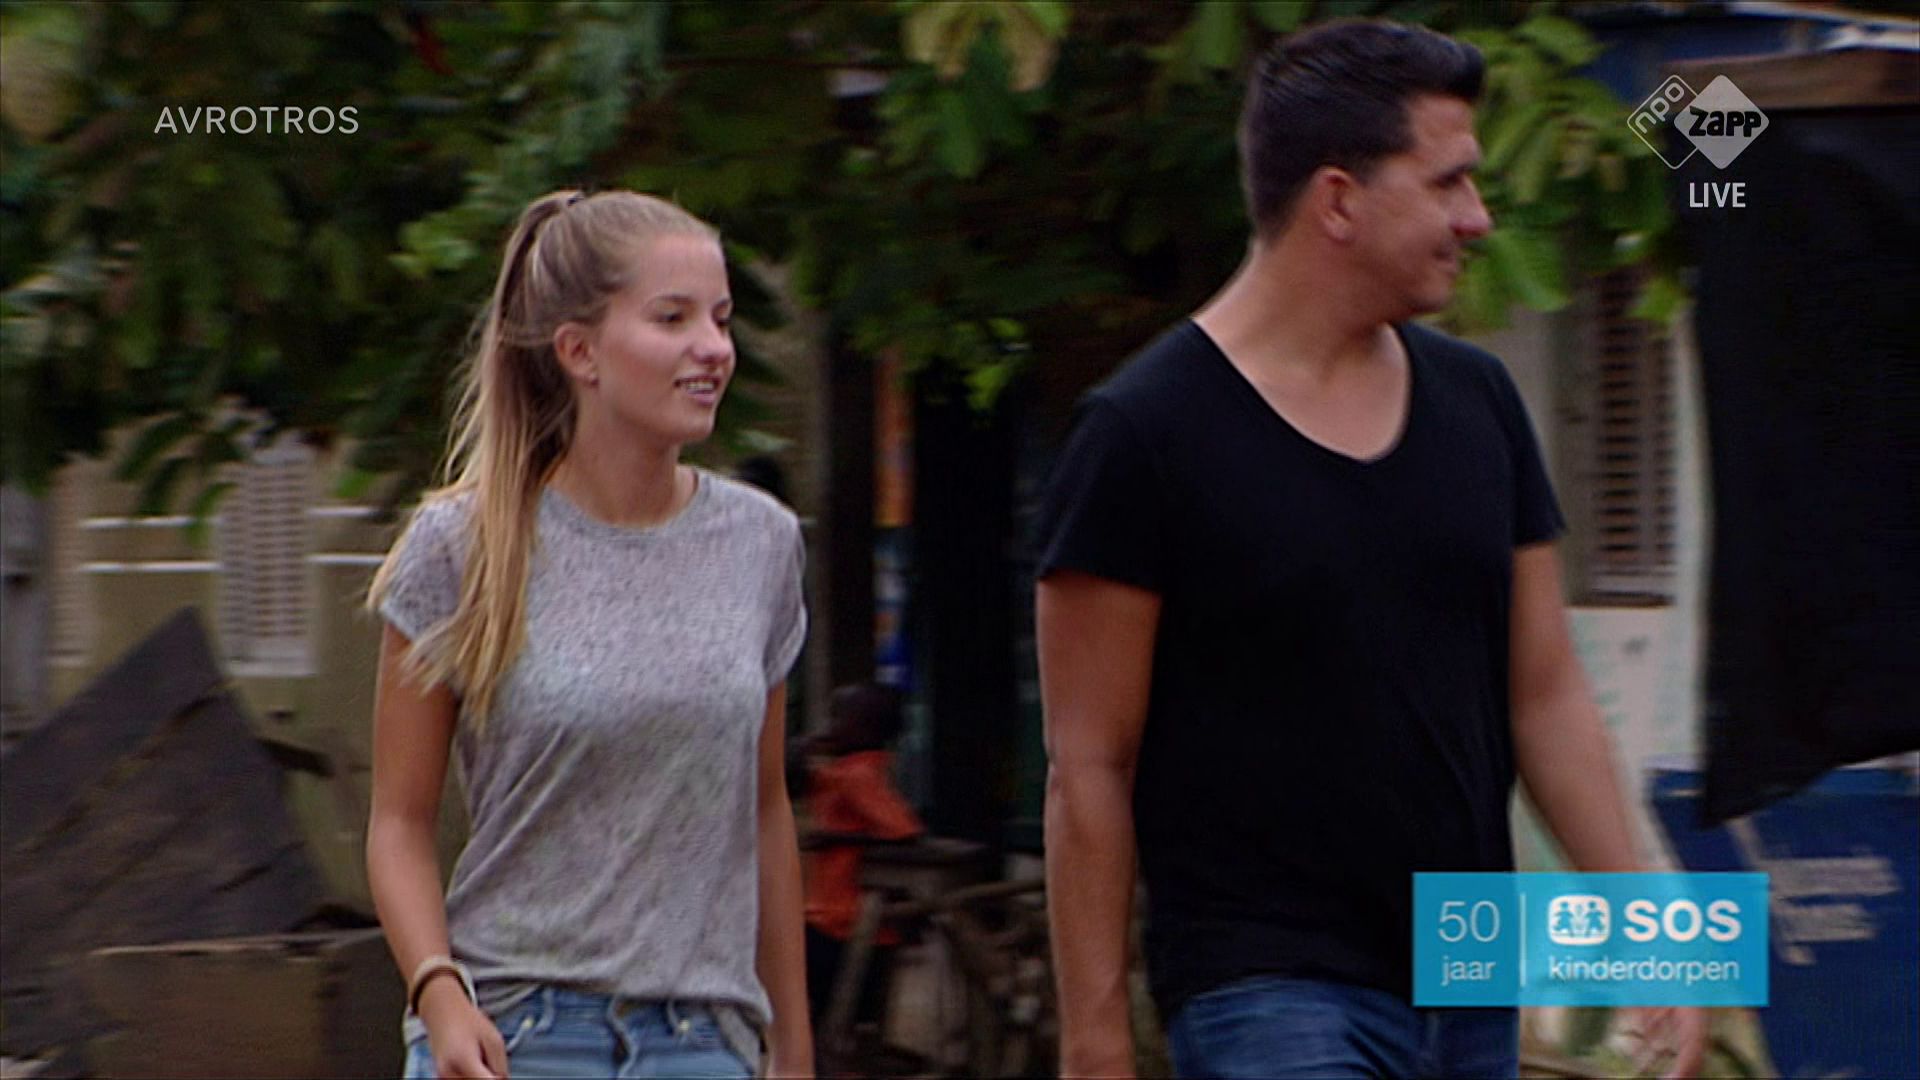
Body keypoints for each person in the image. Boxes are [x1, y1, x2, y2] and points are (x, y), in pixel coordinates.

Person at [1033, 20, 1706, 1080]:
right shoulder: (1144, 433)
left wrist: (1654, 933)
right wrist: (1095, 1042)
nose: (1478, 218)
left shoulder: (1479, 402)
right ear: (1338, 200)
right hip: (1267, 983)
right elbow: (1089, 766)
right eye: (1447, 183)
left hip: (1469, 967)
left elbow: (1545, 694)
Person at [365, 190, 813, 1079]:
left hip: (701, 1043)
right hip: (516, 1036)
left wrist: (793, 1048)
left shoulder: (761, 543)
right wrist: (439, 996)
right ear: (579, 352)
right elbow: (399, 823)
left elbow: (764, 812)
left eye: (721, 319)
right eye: (673, 318)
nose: (713, 348)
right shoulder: (461, 547)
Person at [800, 683, 923, 1025]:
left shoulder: (859, 775)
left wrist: (836, 838)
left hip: (845, 920)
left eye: (840, 719)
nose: (832, 727)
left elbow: (904, 831)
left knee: (830, 1016)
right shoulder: (848, 770)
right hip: (833, 916)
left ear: (865, 729)